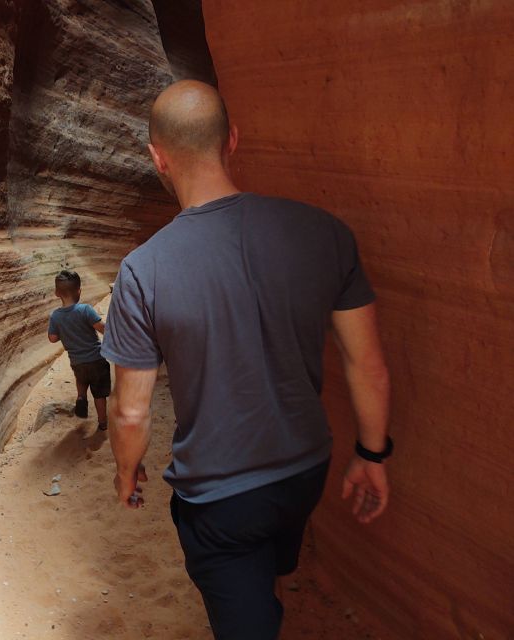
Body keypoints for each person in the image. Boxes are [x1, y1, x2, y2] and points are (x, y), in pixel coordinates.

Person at [100, 80, 392, 640]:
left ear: (157, 158)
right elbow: (367, 364)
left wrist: (126, 470)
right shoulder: (324, 233)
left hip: (219, 498)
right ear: (232, 140)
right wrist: (372, 454)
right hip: (306, 470)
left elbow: (131, 414)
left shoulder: (142, 271)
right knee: (271, 573)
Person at [48, 270, 111, 431]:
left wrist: (65, 331)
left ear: (57, 293)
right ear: (79, 291)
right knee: (99, 393)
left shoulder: (56, 316)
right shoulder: (85, 310)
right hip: (96, 359)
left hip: (76, 361)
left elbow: (53, 338)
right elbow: (102, 328)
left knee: (82, 379)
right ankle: (103, 423)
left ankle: (81, 396)